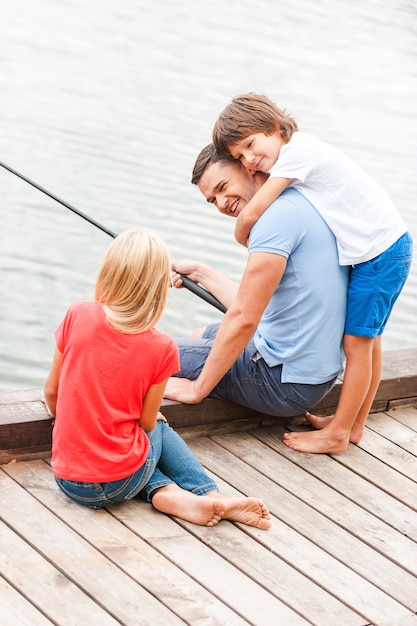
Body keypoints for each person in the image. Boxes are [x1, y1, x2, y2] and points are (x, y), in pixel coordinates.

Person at [212, 93, 413, 454]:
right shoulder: (300, 152)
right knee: (369, 341)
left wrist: (241, 230)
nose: (250, 160)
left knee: (357, 344)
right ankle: (352, 425)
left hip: (380, 253)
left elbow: (255, 209)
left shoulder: (298, 153)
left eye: (251, 145)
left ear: (274, 126)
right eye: (240, 157)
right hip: (380, 249)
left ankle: (339, 433)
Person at [43, 229, 271, 530]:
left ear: (108, 272)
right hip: (121, 482)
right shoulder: (162, 347)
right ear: (157, 289)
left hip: (68, 479)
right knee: (159, 426)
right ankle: (206, 492)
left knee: (129, 446)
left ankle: (168, 493)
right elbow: (147, 423)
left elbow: (52, 392)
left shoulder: (77, 314)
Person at [164, 144, 349, 427]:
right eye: (213, 199)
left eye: (223, 187)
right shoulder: (296, 202)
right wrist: (201, 273)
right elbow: (261, 308)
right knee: (200, 334)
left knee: (149, 354)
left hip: (283, 384)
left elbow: (244, 318)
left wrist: (197, 388)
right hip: (316, 377)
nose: (223, 203)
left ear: (248, 167)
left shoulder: (272, 223)